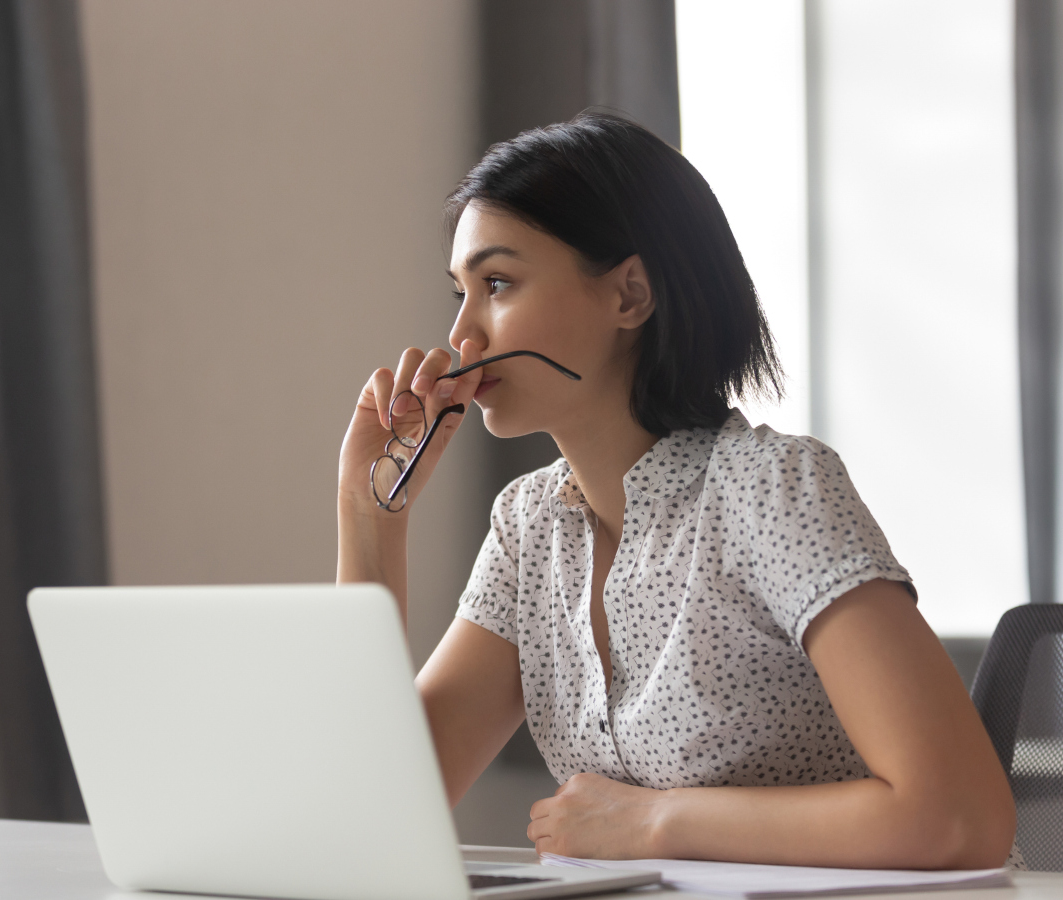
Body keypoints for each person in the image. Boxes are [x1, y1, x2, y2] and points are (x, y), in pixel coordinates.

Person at [336, 112, 1016, 868]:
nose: (463, 337)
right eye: (460, 292)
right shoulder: (529, 529)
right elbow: (375, 805)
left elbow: (958, 818)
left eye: (497, 283)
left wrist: (655, 824)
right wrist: (369, 515)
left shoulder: (773, 491)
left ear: (630, 294)